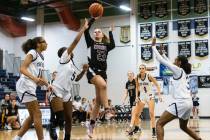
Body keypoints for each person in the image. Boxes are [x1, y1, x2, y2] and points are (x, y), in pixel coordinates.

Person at [152, 37, 202, 140]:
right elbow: (168, 62)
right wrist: (163, 53)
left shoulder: (178, 70)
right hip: (188, 103)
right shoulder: (181, 71)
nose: (173, 61)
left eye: (175, 60)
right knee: (183, 127)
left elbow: (162, 61)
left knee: (159, 124)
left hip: (181, 103)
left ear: (179, 62)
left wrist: (153, 47)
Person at [50, 19, 89, 140]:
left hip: (67, 92)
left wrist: (83, 70)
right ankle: (51, 126)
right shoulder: (64, 58)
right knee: (61, 119)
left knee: (68, 119)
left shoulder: (72, 65)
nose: (70, 50)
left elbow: (77, 78)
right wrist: (83, 28)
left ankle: (67, 138)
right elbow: (75, 42)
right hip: (57, 89)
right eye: (67, 49)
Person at [84, 17, 115, 138]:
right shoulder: (90, 43)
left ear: (102, 35)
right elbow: (86, 31)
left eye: (99, 31)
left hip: (103, 73)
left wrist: (111, 32)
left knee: (97, 101)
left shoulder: (106, 45)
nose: (96, 32)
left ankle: (91, 126)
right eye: (95, 31)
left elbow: (112, 44)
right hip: (92, 71)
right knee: (103, 85)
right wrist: (92, 20)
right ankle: (107, 110)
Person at [14, 36, 49, 140]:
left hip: (30, 85)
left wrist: (48, 85)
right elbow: (22, 68)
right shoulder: (33, 52)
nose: (47, 44)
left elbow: (40, 80)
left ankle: (17, 138)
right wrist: (34, 78)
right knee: (37, 114)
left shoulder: (41, 57)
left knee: (32, 116)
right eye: (44, 42)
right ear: (38, 44)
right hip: (25, 83)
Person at [127, 64, 162, 137]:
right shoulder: (137, 77)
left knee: (151, 113)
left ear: (145, 69)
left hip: (150, 95)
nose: (141, 69)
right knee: (136, 114)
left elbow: (157, 85)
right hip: (142, 96)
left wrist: (159, 95)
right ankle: (136, 128)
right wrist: (137, 97)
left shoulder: (149, 76)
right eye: (140, 68)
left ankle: (153, 130)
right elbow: (137, 87)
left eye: (143, 68)